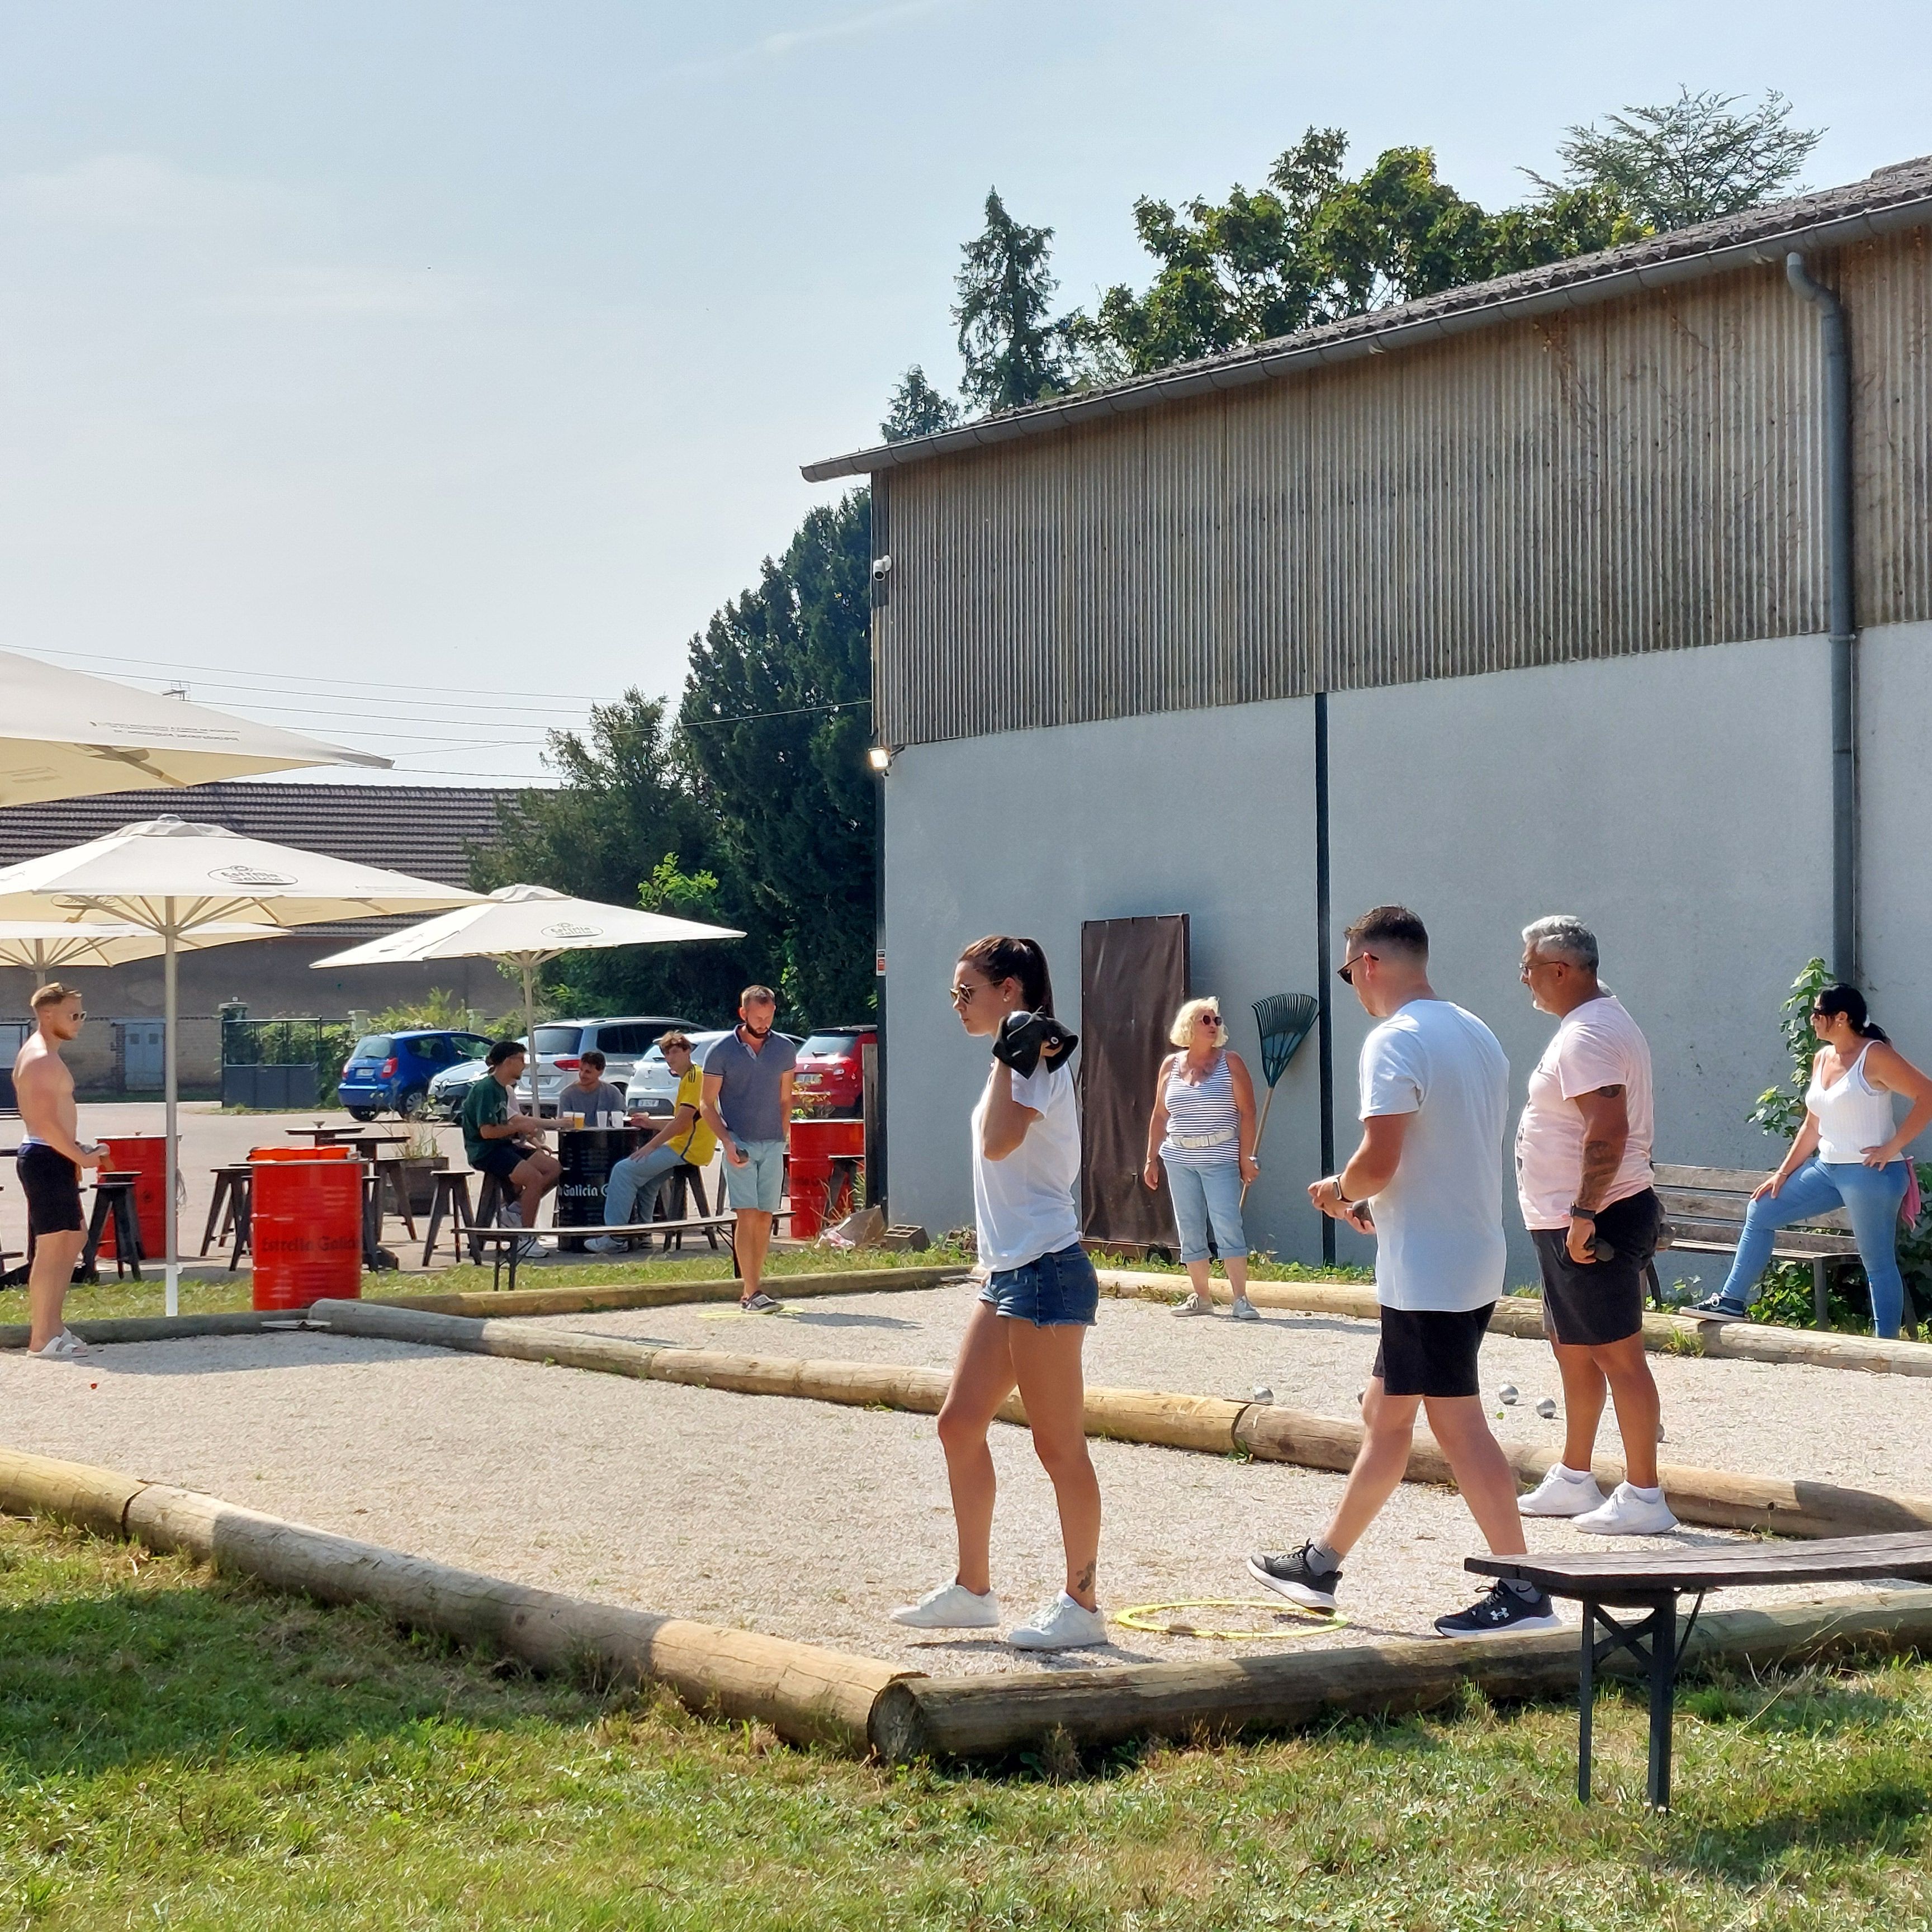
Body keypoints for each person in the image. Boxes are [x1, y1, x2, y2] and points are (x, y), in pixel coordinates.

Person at [1247, 906, 1560, 1637]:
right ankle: (1321, 1567)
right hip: (1465, 1252)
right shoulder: (1474, 1032)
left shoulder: (1394, 1041)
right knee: (1384, 1418)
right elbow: (1431, 1152)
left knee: (1458, 1426)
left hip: (1430, 1269)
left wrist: (1342, 1191)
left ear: (1370, 963)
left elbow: (1380, 1159)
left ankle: (1524, 1591)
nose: (1352, 983)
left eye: (1349, 970)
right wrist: (1368, 1195)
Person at [891, 934, 1106, 1651]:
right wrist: (1007, 1056)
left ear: (1009, 988)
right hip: (1010, 1272)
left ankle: (1082, 1605)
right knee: (958, 1425)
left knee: (1058, 1446)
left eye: (966, 992)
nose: (957, 1004)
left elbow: (1000, 1145)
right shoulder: (1013, 1051)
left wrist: (1017, 1057)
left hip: (1047, 1267)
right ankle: (973, 1590)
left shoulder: (1036, 1055)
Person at [1511, 916, 1677, 1535]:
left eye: (1527, 966)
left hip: (1596, 1216)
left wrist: (1583, 1214)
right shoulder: (1594, 1022)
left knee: (1618, 1355)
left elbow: (1608, 1131)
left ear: (1560, 970)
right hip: (1567, 1215)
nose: (1522, 977)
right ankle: (1576, 1477)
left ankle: (1644, 1496)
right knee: (1575, 1351)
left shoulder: (1589, 1034)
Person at [1690, 984, 1932, 1337]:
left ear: (1842, 1018)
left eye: (1818, 1013)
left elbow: (1926, 1094)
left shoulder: (1874, 1055)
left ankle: (1887, 1344)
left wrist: (1891, 1146)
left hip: (1872, 1174)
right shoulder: (1822, 1057)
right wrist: (1783, 1174)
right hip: (1827, 1170)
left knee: (1876, 1261)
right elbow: (1813, 1124)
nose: (1812, 1019)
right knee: (1762, 1209)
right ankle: (1731, 1301)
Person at [1143, 996, 1261, 1320]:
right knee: (1189, 1226)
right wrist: (1151, 1158)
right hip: (1178, 1157)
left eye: (1216, 1021)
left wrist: (1247, 1156)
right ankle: (1202, 1296)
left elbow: (1248, 1112)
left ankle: (1241, 1299)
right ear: (1188, 1025)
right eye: (1205, 1020)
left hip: (1220, 1155)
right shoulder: (1170, 1065)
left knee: (1227, 1224)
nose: (1213, 1025)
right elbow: (1159, 1115)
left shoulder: (1231, 1062)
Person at [12, 983, 105, 1361]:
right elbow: (44, 1122)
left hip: (56, 1156)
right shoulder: (39, 1059)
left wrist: (78, 1150)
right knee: (52, 1248)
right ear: (47, 1015)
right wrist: (81, 1158)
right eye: (73, 1014)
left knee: (72, 1240)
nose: (79, 1022)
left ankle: (53, 1327)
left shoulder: (48, 1056)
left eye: (81, 1014)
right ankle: (41, 1337)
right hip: (44, 1156)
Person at [700, 987, 798, 1314]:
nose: (764, 1023)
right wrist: (727, 1141)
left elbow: (786, 1099)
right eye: (758, 1017)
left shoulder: (784, 1048)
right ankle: (750, 1290)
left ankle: (756, 1287)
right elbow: (706, 1103)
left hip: (772, 1142)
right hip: (739, 1141)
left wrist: (782, 1135)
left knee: (765, 1216)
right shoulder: (721, 1051)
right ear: (743, 1014)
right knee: (747, 1214)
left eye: (769, 1017)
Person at [587, 1032, 716, 1253]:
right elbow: (683, 1120)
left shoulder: (696, 1077)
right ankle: (644, 1235)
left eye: (676, 1051)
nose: (671, 1057)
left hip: (689, 1148)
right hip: (684, 1144)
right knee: (648, 1182)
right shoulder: (688, 1078)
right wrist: (651, 1122)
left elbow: (683, 1123)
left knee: (624, 1171)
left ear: (688, 1052)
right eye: (667, 1053)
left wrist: (650, 1146)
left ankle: (615, 1238)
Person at [460, 1039, 561, 1254]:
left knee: (553, 1169)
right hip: (486, 1151)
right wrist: (518, 1126)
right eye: (521, 1060)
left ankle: (514, 1211)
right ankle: (526, 1238)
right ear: (507, 1061)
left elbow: (509, 1123)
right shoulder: (486, 1089)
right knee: (533, 1178)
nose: (524, 1065)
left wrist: (526, 1131)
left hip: (504, 1146)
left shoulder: (503, 1090)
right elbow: (487, 1132)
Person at [559, 1048, 627, 1126]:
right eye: (581, 1070)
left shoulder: (613, 1093)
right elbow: (563, 1124)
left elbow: (620, 1118)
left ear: (601, 1072)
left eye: (588, 1072)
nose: (582, 1075)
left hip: (605, 1137)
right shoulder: (567, 1095)